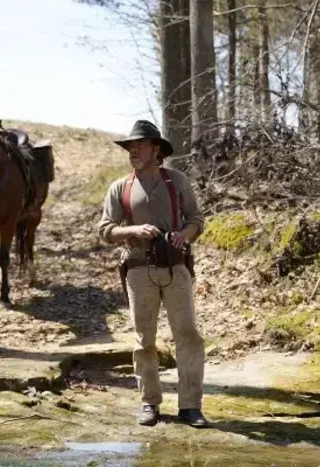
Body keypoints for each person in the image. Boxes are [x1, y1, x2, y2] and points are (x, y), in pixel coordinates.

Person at [97, 120, 209, 428]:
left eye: (140, 146)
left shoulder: (178, 181)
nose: (133, 151)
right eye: (130, 147)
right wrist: (133, 229)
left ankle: (190, 407)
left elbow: (197, 219)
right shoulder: (120, 187)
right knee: (143, 339)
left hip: (176, 268)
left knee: (188, 336)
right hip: (138, 268)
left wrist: (185, 235)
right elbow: (106, 230)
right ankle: (149, 403)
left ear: (155, 150)